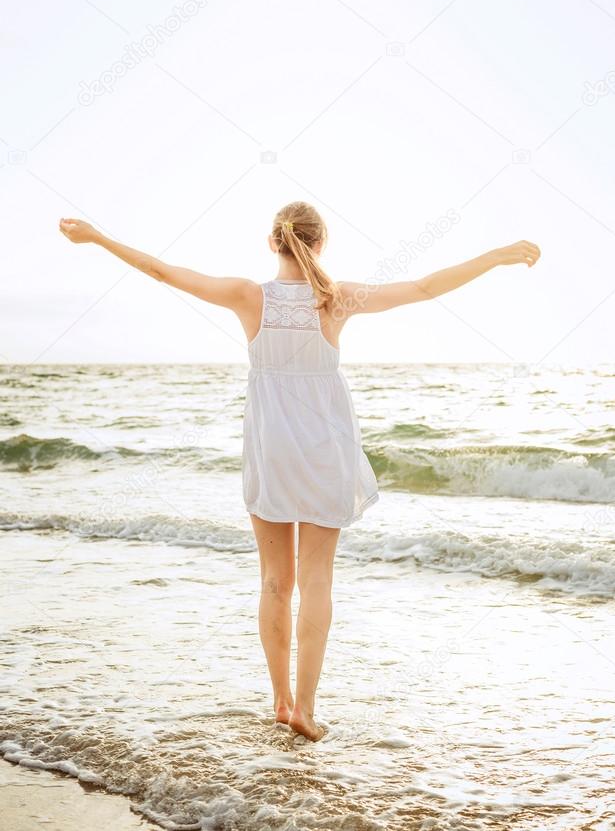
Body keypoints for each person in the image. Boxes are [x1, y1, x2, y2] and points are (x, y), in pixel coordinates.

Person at [59, 202, 540, 740]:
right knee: (316, 583)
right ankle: (305, 709)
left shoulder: (250, 296)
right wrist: (495, 255)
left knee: (273, 583)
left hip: (271, 452)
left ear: (273, 242)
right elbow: (426, 287)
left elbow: (164, 272)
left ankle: (281, 701)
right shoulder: (336, 299)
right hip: (325, 455)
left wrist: (98, 237)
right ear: (321, 244)